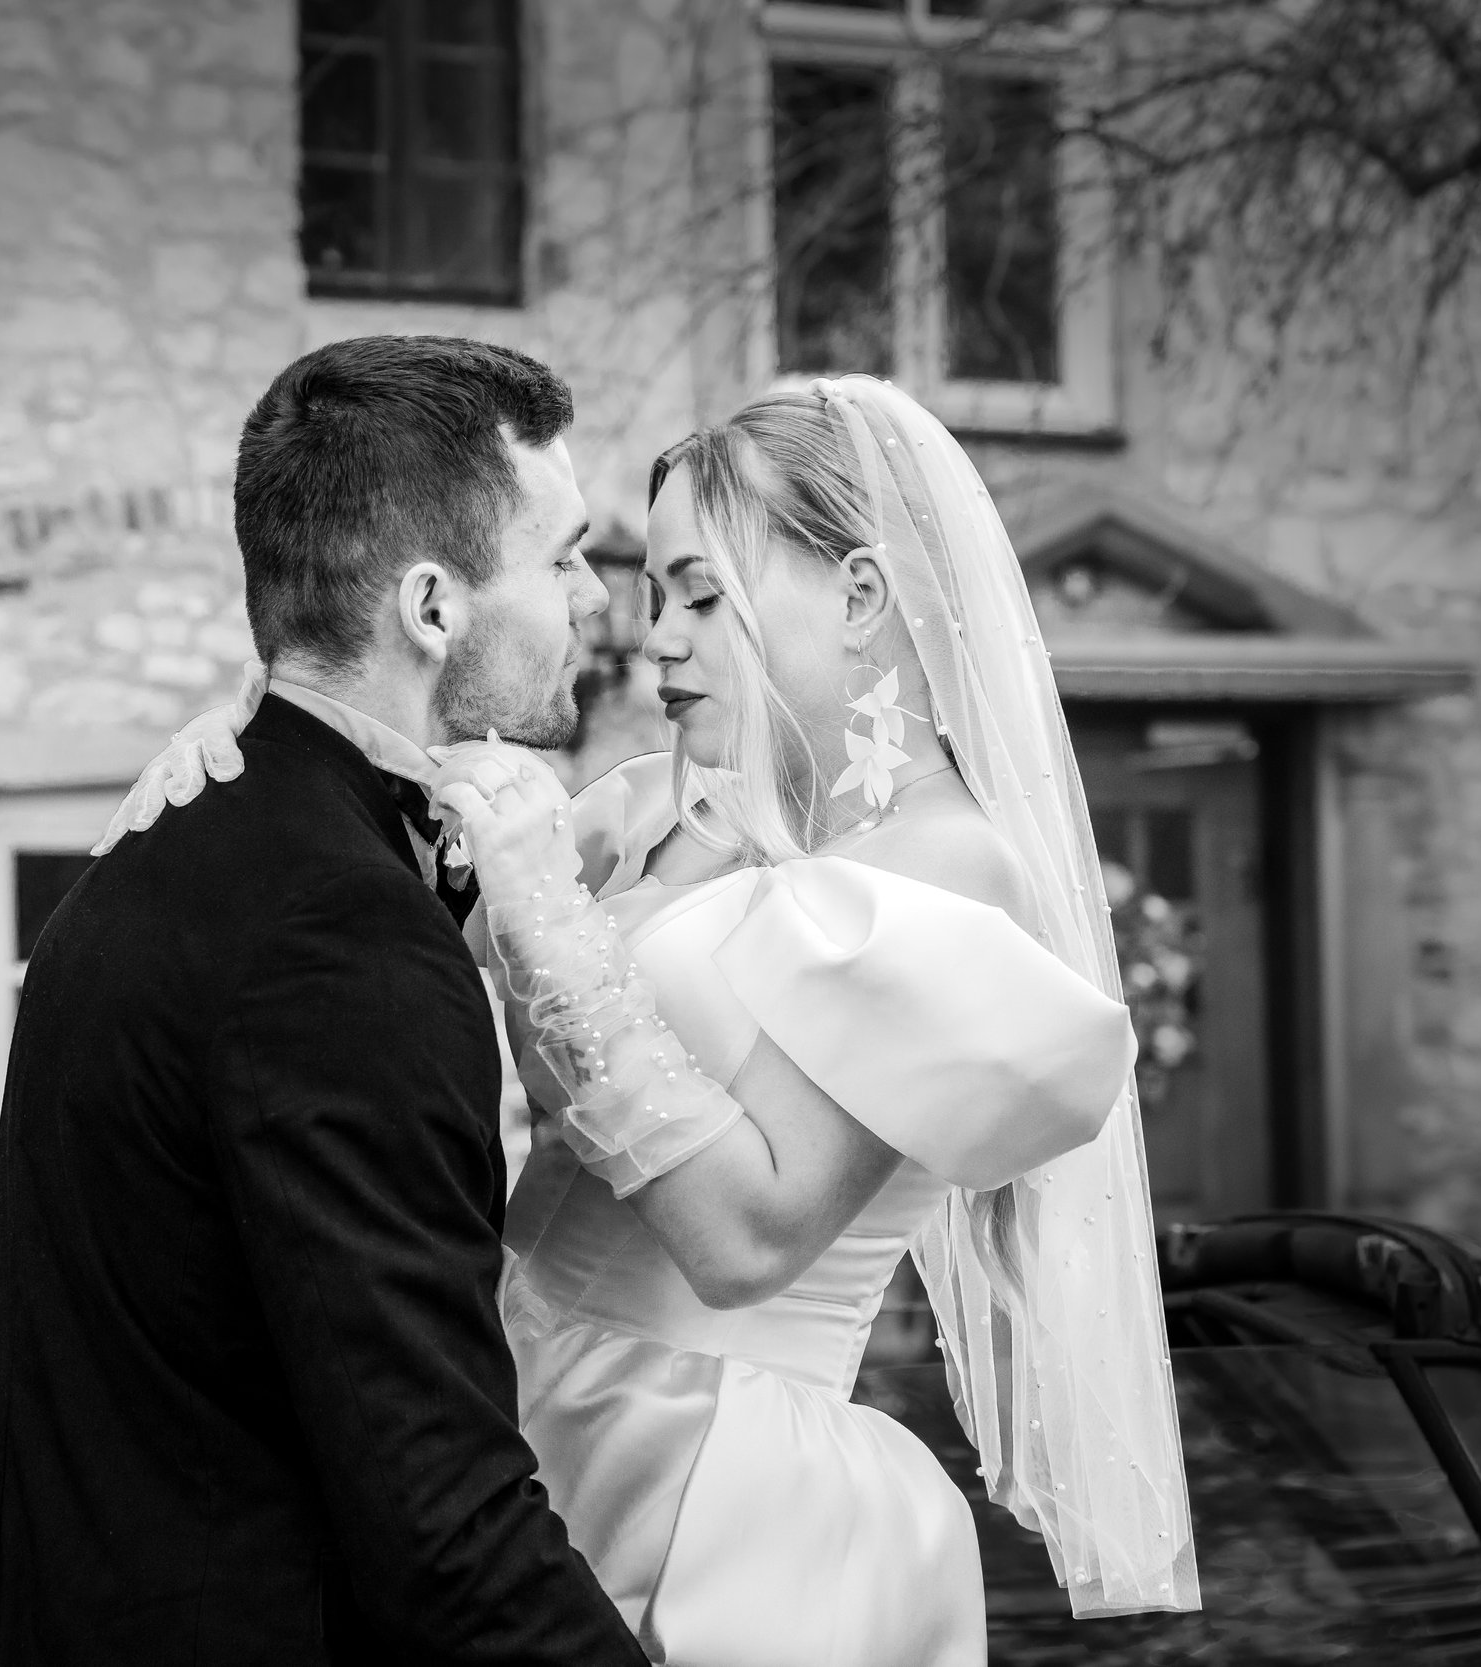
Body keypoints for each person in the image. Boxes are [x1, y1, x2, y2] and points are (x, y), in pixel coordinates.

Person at [103, 375, 1199, 1664]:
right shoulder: (654, 809)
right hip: (501, 1406)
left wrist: (547, 913)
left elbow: (747, 1239)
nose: (653, 636)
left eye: (699, 593)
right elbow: (379, 960)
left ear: (858, 599)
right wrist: (259, 752)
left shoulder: (952, 873)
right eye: (654, 593)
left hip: (707, 1476)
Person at [0, 336, 651, 1666]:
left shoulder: (178, 842)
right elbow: (438, 1517)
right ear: (432, 607)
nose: (595, 596)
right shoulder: (338, 937)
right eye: (562, 557)